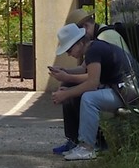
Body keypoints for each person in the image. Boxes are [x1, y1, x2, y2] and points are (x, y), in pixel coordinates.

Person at [48, 21, 133, 160]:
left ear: (79, 43)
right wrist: (65, 72)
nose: (69, 54)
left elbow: (92, 83)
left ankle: (87, 147)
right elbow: (84, 70)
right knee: (77, 91)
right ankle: (87, 143)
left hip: (129, 92)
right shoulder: (93, 47)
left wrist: (66, 94)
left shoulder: (94, 50)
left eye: (69, 50)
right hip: (124, 90)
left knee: (89, 98)